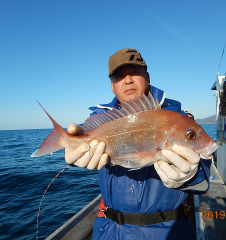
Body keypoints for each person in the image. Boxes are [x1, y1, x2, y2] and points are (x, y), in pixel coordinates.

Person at [65, 49, 211, 240]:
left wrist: (190, 176)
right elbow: (80, 146)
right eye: (119, 76)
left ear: (147, 77)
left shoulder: (177, 119)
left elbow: (204, 181)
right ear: (112, 86)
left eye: (134, 72)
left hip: (168, 230)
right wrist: (74, 153)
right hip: (109, 230)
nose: (128, 80)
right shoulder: (100, 119)